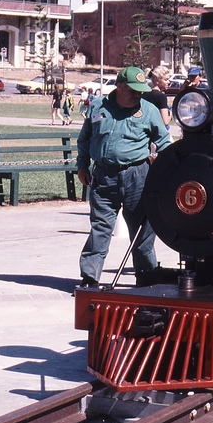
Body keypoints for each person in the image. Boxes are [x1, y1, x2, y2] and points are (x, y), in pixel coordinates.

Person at [76, 66, 171, 288]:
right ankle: (90, 277)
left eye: (141, 91)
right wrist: (82, 166)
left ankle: (146, 276)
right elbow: (85, 139)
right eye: (134, 90)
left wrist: (159, 160)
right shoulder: (98, 106)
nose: (139, 95)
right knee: (100, 227)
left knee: (142, 230)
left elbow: (165, 142)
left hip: (138, 176)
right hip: (103, 176)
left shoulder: (148, 110)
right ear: (119, 86)